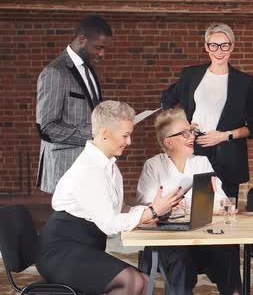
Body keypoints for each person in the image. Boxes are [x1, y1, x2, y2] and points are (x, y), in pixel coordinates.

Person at [36, 101, 183, 294]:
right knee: (133, 282)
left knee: (144, 281)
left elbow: (119, 208)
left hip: (82, 249)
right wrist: (151, 211)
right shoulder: (89, 170)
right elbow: (110, 223)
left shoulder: (108, 166)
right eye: (125, 135)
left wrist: (156, 211)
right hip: (60, 253)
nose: (129, 142)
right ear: (105, 133)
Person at [136, 108, 242, 295]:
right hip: (168, 243)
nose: (191, 136)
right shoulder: (153, 166)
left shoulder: (201, 162)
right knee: (180, 259)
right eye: (184, 133)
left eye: (191, 131)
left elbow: (221, 199)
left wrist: (225, 204)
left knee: (227, 251)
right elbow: (145, 207)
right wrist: (165, 208)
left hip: (200, 238)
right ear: (168, 142)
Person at [161, 22, 253, 199]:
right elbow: (166, 101)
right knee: (194, 204)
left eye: (224, 45)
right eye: (213, 45)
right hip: (195, 149)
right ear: (206, 47)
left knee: (227, 208)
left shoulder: (245, 82)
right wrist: (184, 126)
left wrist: (225, 135)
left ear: (232, 46)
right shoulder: (191, 75)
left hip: (229, 154)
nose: (219, 51)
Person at [36, 15, 112, 193]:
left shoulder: (89, 69)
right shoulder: (55, 72)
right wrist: (94, 133)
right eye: (98, 48)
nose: (102, 54)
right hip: (65, 169)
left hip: (88, 166)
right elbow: (47, 128)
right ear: (81, 39)